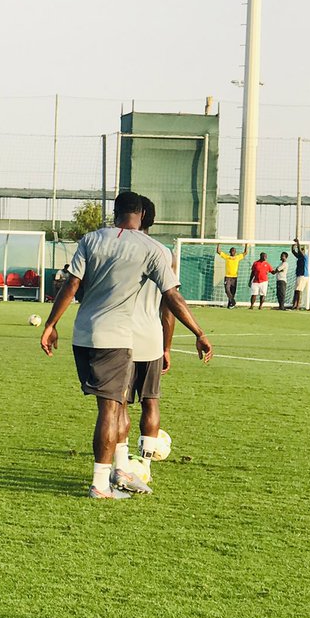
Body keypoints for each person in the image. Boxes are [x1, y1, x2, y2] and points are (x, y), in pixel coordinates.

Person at [40, 192, 213, 499]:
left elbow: (72, 283)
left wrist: (52, 324)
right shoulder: (153, 248)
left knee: (117, 405)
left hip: (84, 334)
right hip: (118, 338)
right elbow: (171, 298)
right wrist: (199, 332)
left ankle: (121, 470)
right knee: (112, 409)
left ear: (114, 212)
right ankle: (100, 483)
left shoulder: (91, 240)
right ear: (143, 215)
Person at [123, 197, 175, 484]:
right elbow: (169, 305)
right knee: (150, 401)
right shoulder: (164, 253)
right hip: (151, 336)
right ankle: (144, 464)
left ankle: (120, 461)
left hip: (117, 335)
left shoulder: (116, 247)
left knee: (118, 405)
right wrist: (166, 346)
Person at [216, 243, 246, 308]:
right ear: (230, 252)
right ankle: (233, 301)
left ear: (235, 252)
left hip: (234, 277)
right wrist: (218, 244)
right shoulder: (227, 257)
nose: (233, 252)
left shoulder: (237, 257)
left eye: (234, 251)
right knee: (227, 290)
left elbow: (245, 253)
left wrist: (246, 244)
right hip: (227, 277)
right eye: (232, 251)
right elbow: (218, 251)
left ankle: (230, 305)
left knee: (233, 292)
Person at [291, 239, 309, 310]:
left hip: (303, 275)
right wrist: (293, 246)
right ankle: (294, 305)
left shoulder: (305, 257)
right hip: (298, 275)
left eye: (302, 250)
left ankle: (298, 305)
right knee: (296, 290)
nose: (300, 251)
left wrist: (298, 242)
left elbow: (299, 250)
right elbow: (293, 251)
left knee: (299, 290)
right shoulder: (299, 257)